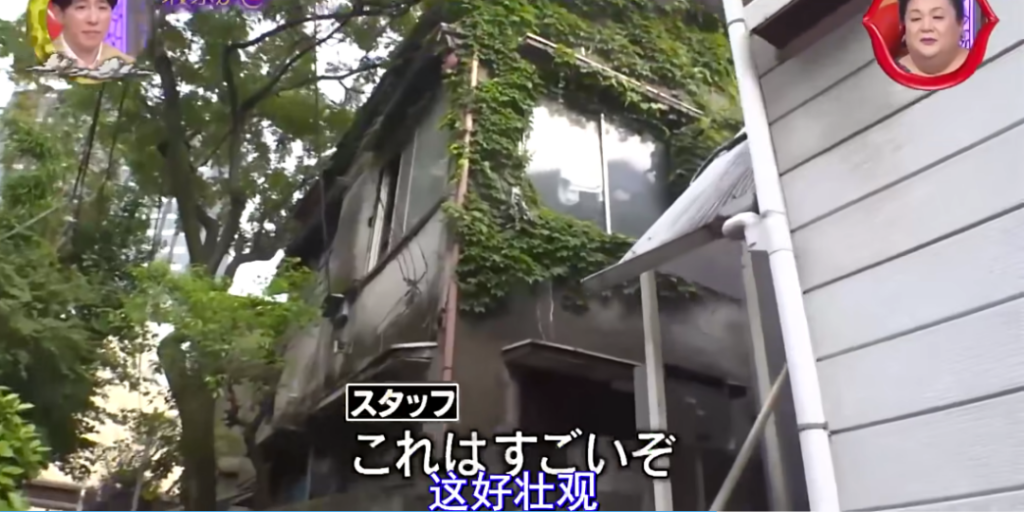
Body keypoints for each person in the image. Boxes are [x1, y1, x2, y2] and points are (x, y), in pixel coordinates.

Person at [50, 0, 133, 69]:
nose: (93, 19)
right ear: (58, 13)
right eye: (81, 7)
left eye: (102, 8)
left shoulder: (127, 66)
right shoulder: (45, 61)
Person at [897, 0, 968, 76]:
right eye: (916, 18)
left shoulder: (977, 72)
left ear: (960, 24)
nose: (926, 27)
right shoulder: (890, 74)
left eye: (937, 17)